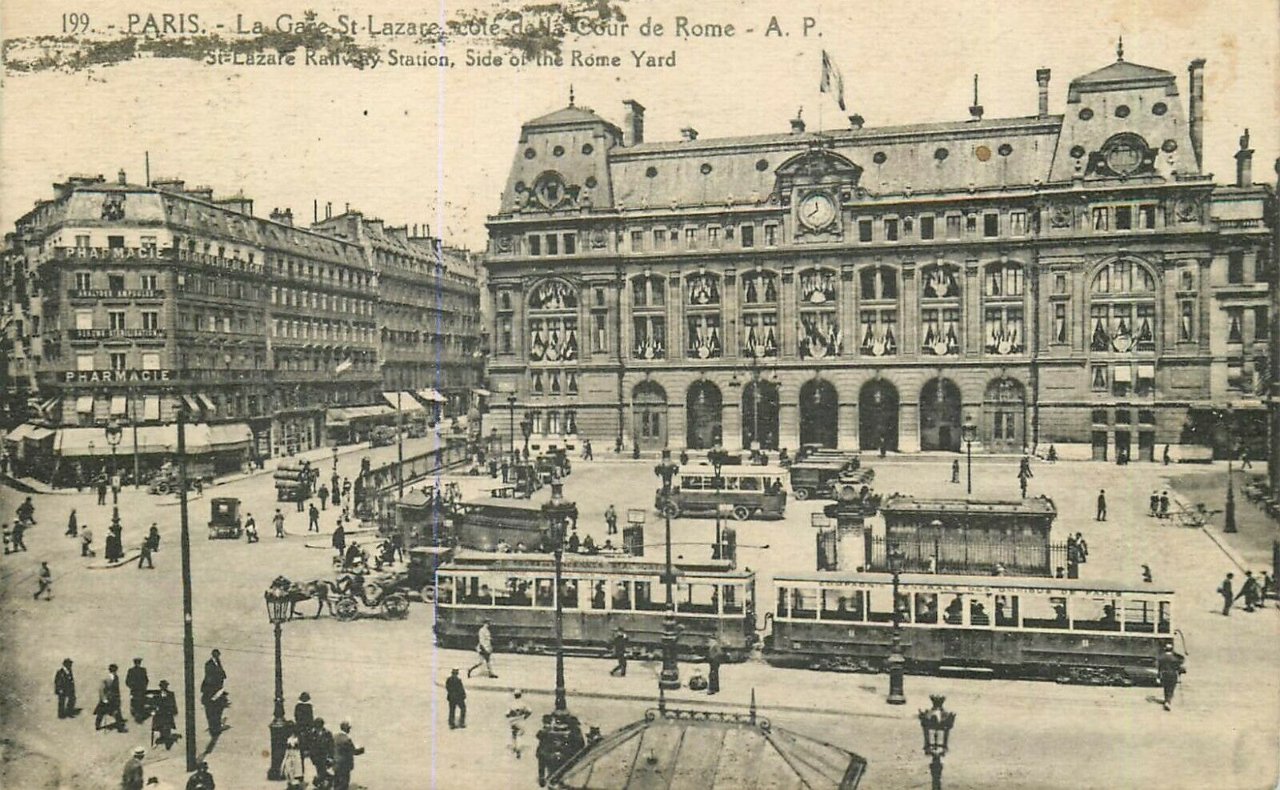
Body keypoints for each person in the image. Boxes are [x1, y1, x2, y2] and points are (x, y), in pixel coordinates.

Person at [200, 649, 227, 734]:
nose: (218, 656)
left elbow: (221, 672)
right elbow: (210, 676)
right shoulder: (208, 664)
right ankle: (213, 727)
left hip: (217, 689)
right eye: (216, 655)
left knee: (218, 709)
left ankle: (217, 726)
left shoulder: (218, 662)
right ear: (213, 655)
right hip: (212, 690)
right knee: (212, 709)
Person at [332, 719, 364, 790]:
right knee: (344, 784)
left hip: (336, 763)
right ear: (346, 729)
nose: (349, 730)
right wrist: (362, 749)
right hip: (344, 765)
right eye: (349, 728)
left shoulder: (334, 737)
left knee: (337, 783)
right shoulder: (346, 739)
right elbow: (354, 751)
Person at [96, 663, 126, 732]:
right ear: (111, 671)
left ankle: (120, 727)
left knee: (116, 712)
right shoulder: (106, 678)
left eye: (115, 671)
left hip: (113, 699)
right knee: (101, 713)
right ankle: (97, 725)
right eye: (114, 671)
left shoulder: (116, 677)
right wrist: (104, 699)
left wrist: (118, 698)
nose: (115, 672)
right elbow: (101, 689)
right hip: (106, 699)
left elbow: (117, 689)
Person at [1157, 644, 1187, 711]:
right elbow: (1181, 662)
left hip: (1164, 674)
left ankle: (1166, 700)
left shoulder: (1161, 657)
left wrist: (1158, 677)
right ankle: (1168, 701)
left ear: (1165, 649)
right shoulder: (1175, 658)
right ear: (1172, 649)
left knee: (1166, 688)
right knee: (1171, 688)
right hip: (1173, 675)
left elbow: (1159, 668)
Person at [152, 680, 178, 749]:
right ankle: (162, 736)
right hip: (160, 713)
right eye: (162, 686)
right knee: (161, 725)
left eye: (165, 686)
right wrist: (153, 710)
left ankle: (167, 737)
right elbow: (154, 703)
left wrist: (174, 710)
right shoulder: (157, 695)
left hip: (167, 713)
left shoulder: (171, 694)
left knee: (167, 725)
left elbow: (173, 702)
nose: (164, 687)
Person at [507, 690, 532, 758]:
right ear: (520, 695)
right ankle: (518, 749)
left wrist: (510, 716)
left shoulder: (511, 703)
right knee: (519, 735)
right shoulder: (524, 703)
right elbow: (530, 711)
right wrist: (525, 717)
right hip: (520, 720)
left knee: (513, 734)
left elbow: (507, 713)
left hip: (513, 721)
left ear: (514, 695)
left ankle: (514, 747)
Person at [310, 718, 333, 786]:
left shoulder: (327, 733)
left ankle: (322, 782)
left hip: (325, 756)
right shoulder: (313, 734)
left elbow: (331, 746)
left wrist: (330, 757)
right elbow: (311, 746)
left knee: (322, 771)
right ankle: (323, 782)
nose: (317, 728)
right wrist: (312, 758)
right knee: (320, 771)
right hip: (316, 757)